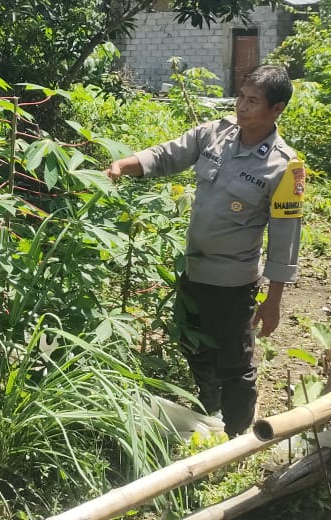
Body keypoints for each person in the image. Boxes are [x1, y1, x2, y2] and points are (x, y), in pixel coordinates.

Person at [105, 65, 304, 437]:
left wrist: (273, 300)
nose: (241, 106)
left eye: (253, 101)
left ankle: (237, 436)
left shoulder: (283, 166)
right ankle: (208, 405)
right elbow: (166, 155)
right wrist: (122, 165)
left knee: (234, 363)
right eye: (241, 97)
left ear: (276, 109)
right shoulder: (215, 134)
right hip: (193, 269)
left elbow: (284, 239)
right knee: (191, 341)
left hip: (232, 284)